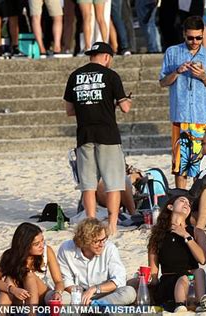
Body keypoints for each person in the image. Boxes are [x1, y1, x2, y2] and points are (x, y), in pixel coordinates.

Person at [63, 41, 132, 235]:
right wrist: (125, 101)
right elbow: (125, 108)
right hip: (107, 134)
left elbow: (69, 110)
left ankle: (91, 222)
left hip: (84, 134)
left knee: (88, 184)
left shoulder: (75, 76)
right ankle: (111, 224)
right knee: (113, 183)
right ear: (107, 57)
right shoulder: (111, 75)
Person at [159, 15, 206, 189]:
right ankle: (180, 196)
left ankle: (196, 203)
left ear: (203, 34)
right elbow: (163, 82)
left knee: (200, 167)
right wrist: (177, 71)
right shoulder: (172, 52)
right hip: (181, 116)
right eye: (190, 38)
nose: (194, 41)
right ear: (184, 34)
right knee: (180, 168)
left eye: (198, 38)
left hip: (202, 117)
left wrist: (202, 76)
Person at [147, 193, 206, 312]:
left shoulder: (196, 232)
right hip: (168, 282)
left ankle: (199, 304)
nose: (186, 204)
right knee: (182, 278)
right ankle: (181, 305)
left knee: (198, 272)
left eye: (189, 204)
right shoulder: (157, 235)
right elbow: (154, 272)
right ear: (170, 207)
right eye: (182, 201)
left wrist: (185, 235)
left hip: (191, 281)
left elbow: (202, 259)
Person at [57, 218, 136, 305]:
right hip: (78, 294)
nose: (102, 244)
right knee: (59, 297)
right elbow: (65, 281)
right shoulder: (66, 249)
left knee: (129, 292)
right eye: (97, 241)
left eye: (104, 239)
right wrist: (82, 295)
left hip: (104, 293)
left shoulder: (109, 248)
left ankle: (95, 306)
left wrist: (95, 289)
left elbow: (119, 280)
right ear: (84, 241)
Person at [0, 223, 68, 307]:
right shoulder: (10, 255)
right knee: (8, 282)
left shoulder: (46, 251)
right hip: (20, 295)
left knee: (29, 275)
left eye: (42, 240)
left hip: (41, 293)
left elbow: (59, 281)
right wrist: (12, 289)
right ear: (24, 246)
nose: (41, 245)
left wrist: (57, 292)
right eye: (36, 244)